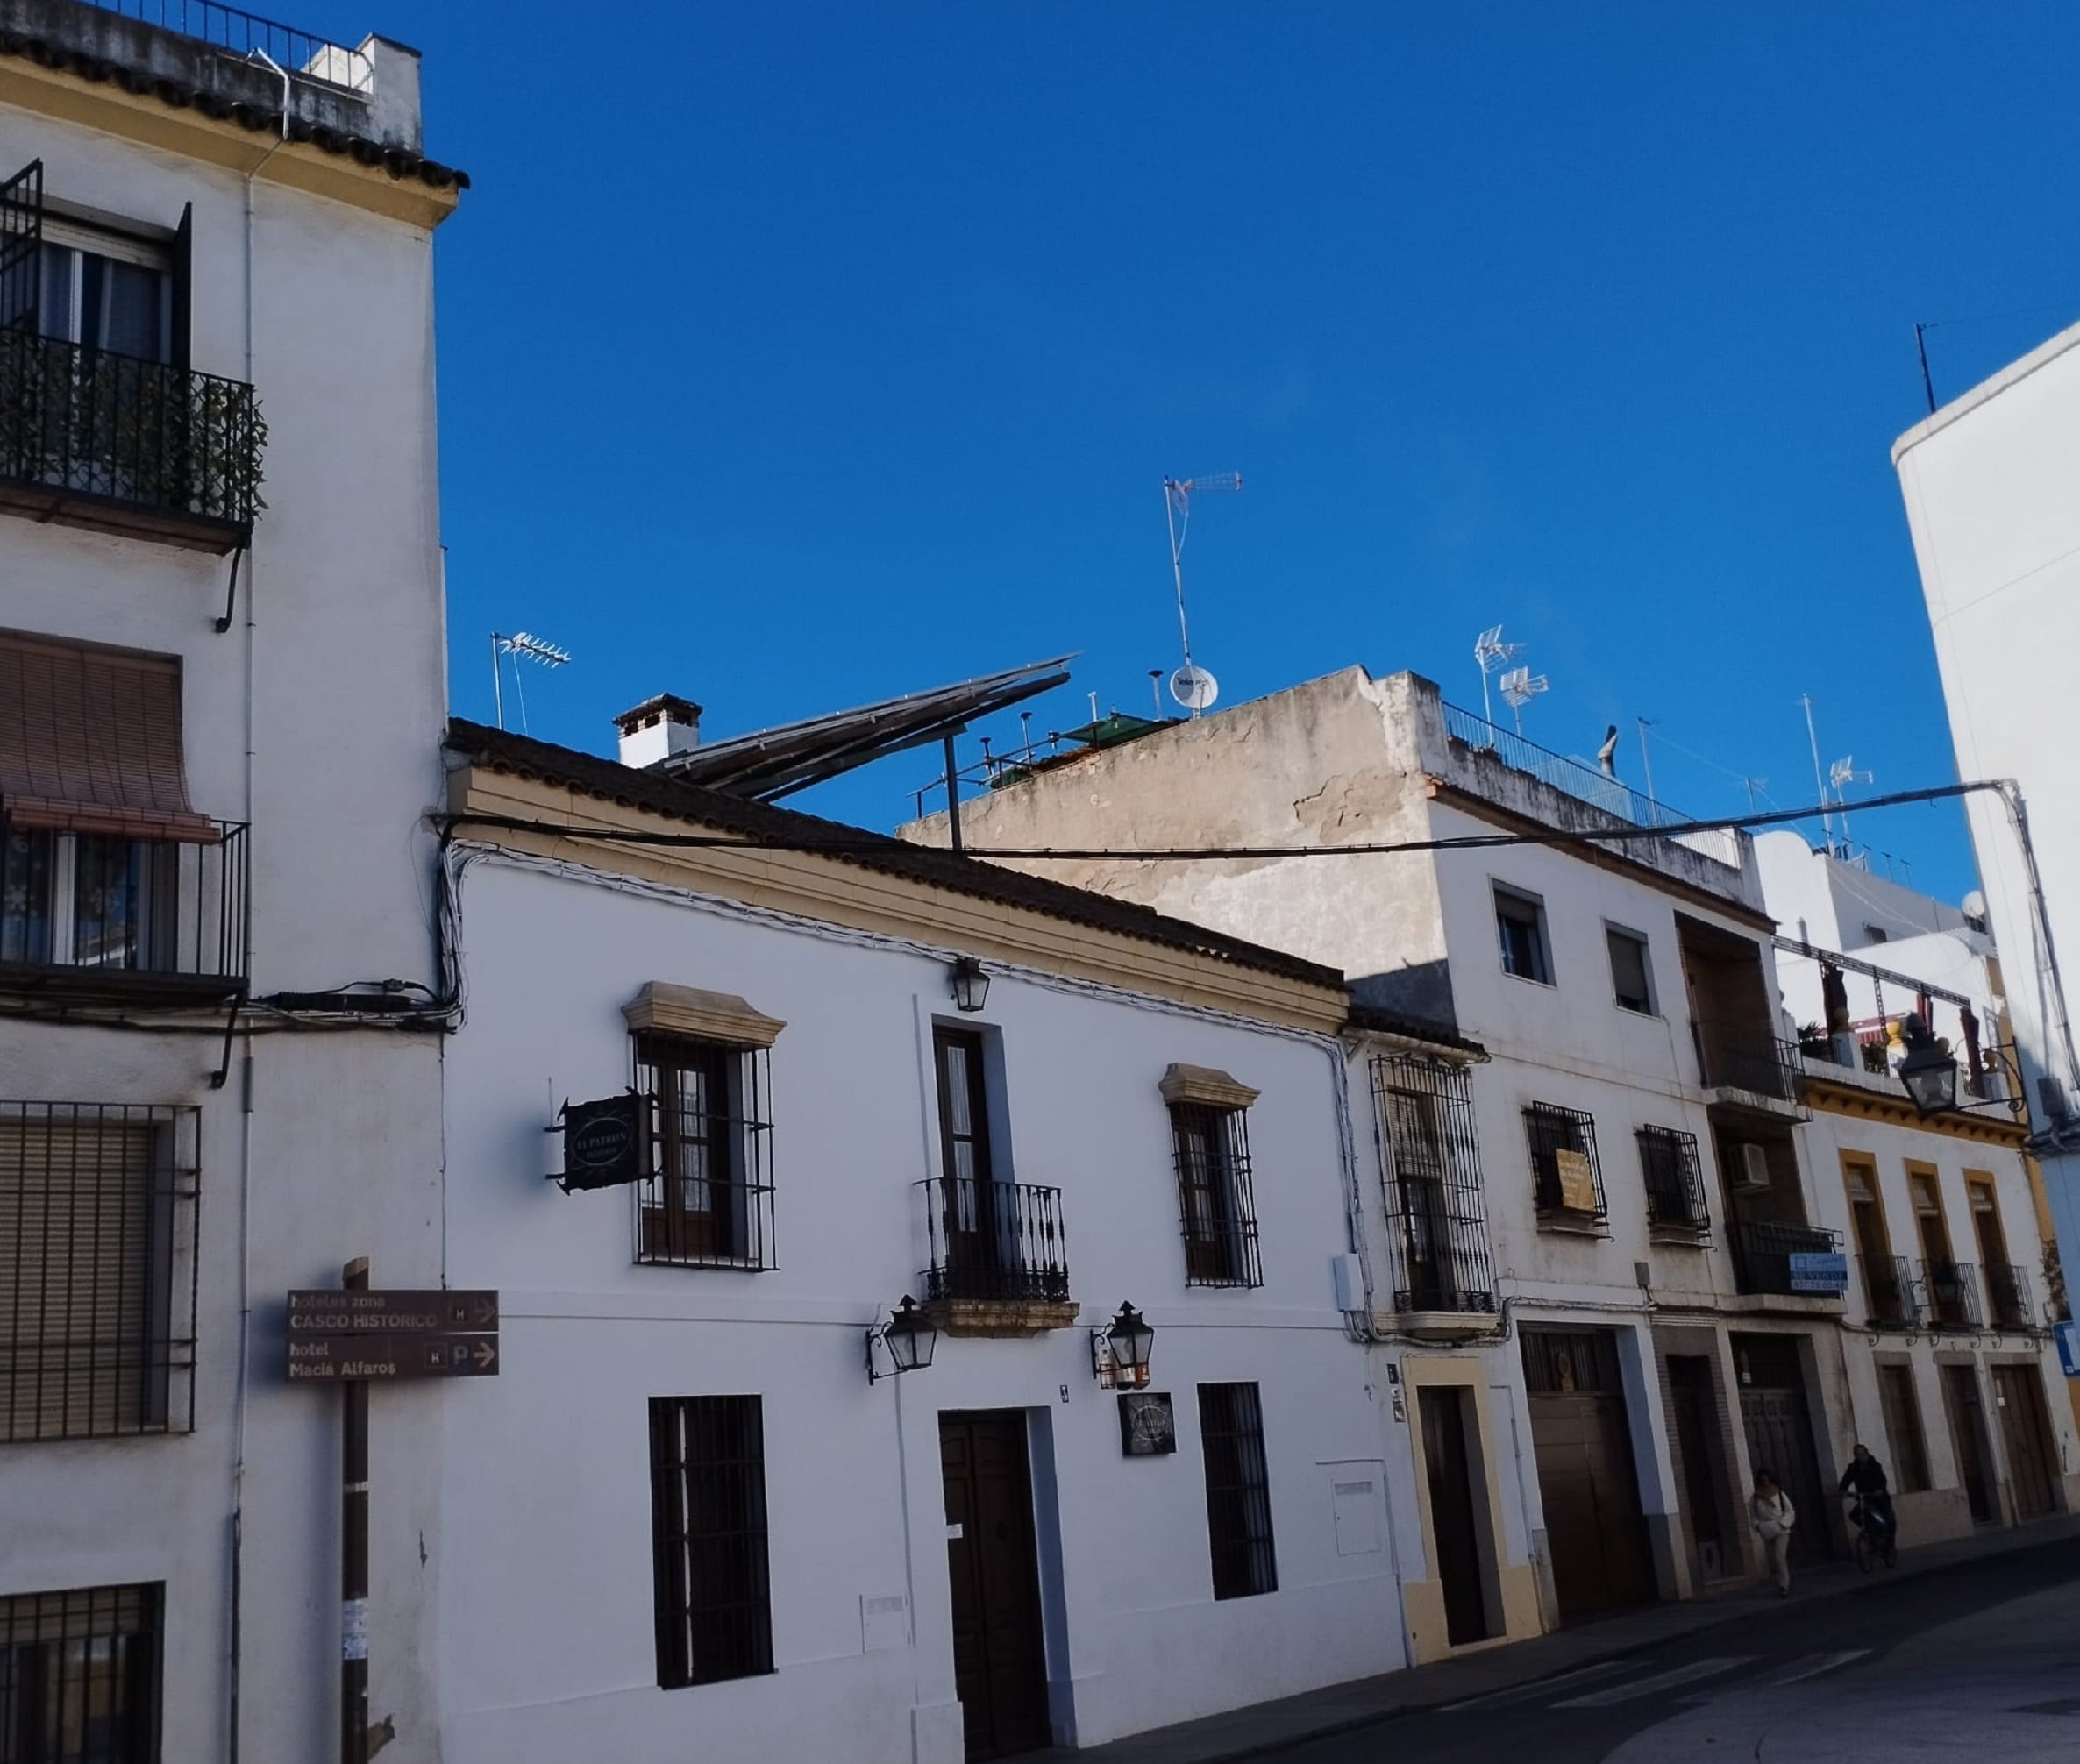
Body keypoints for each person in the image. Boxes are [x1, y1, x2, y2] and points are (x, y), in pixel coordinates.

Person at [1839, 1443, 1898, 1563]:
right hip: (1865, 1500)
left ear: (1866, 1453)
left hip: (1880, 1500)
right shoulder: (1853, 1468)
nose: (1860, 1457)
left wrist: (1879, 1489)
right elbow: (1845, 1481)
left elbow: (1882, 1480)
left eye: (1862, 1454)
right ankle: (1870, 1533)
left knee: (1890, 1521)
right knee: (1854, 1515)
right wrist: (1844, 1490)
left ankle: (1889, 1547)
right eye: (1857, 1455)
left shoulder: (1875, 1466)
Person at [1749, 1469, 1797, 1596]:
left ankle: (1784, 1585)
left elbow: (1789, 1511)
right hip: (1767, 1530)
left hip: (1781, 1529)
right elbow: (1753, 1515)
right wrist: (1758, 1526)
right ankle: (1779, 1581)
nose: (1765, 1483)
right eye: (1762, 1480)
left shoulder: (1779, 1494)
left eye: (1767, 1480)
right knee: (1773, 1559)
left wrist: (1783, 1523)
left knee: (1779, 1556)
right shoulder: (1755, 1498)